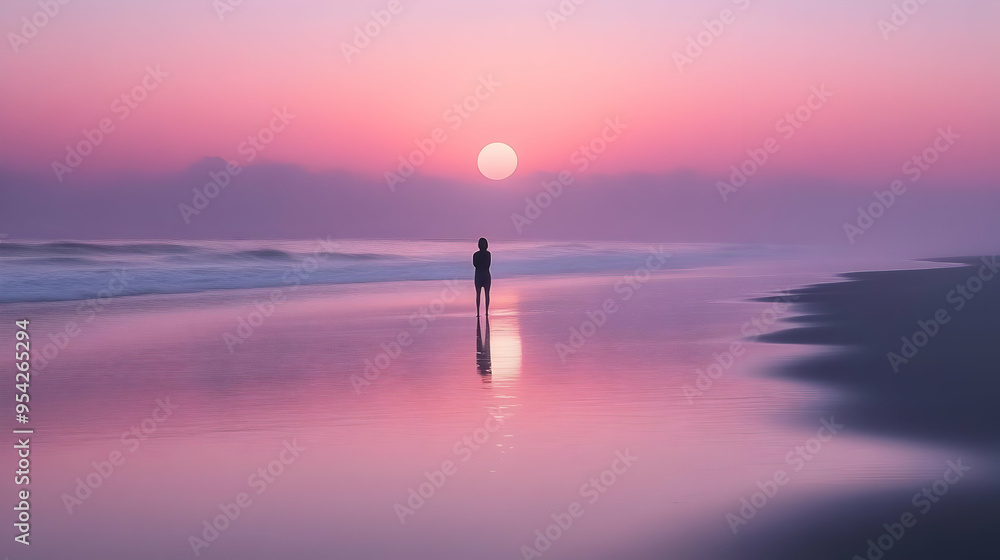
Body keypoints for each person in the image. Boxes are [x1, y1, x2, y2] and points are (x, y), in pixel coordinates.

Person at [473, 237, 491, 316]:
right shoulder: (488, 254)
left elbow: (475, 265)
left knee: (478, 294)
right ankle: (486, 312)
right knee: (487, 294)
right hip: (486, 275)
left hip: (478, 275)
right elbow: (488, 265)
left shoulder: (476, 254)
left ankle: (478, 312)